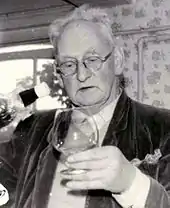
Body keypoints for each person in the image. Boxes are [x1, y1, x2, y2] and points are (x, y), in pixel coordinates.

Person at [1, 4, 170, 208]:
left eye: (92, 59)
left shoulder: (163, 127)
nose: (82, 75)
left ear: (117, 61)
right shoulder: (33, 128)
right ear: (59, 75)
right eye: (69, 65)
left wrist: (131, 184)